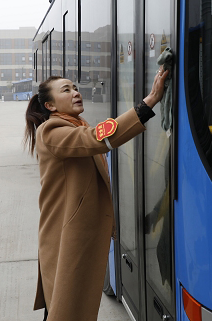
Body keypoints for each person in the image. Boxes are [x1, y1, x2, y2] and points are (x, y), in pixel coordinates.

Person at [23, 68, 169, 321]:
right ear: (50, 105)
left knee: (64, 306)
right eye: (66, 90)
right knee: (65, 308)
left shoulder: (75, 125)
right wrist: (149, 102)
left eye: (75, 88)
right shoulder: (51, 131)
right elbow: (96, 139)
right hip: (65, 237)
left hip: (74, 233)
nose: (75, 93)